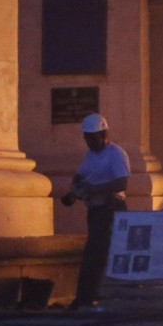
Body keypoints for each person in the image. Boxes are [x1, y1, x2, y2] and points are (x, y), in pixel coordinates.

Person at [64, 113, 130, 308]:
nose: (90, 143)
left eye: (93, 138)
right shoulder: (90, 156)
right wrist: (75, 189)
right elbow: (81, 175)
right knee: (95, 254)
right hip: (95, 210)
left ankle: (87, 299)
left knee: (98, 254)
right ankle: (88, 298)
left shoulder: (116, 154)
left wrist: (94, 189)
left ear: (104, 134)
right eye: (87, 139)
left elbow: (121, 183)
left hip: (111, 209)